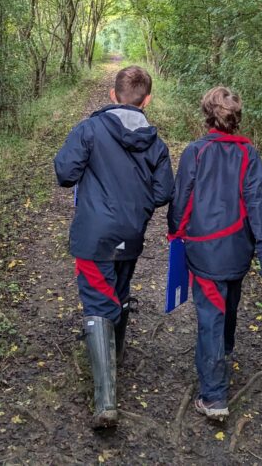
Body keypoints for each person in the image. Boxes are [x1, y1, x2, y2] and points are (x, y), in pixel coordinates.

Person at [54, 65, 174, 428]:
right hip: (131, 233)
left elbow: (64, 174)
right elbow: (164, 192)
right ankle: (115, 354)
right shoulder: (155, 142)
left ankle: (106, 400)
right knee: (118, 292)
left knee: (97, 301)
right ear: (147, 100)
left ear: (112, 95)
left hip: (94, 236)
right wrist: (137, 207)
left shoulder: (89, 130)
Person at [168, 86, 262, 421]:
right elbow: (260, 205)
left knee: (212, 315)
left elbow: (181, 200)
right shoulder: (249, 154)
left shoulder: (196, 151)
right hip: (237, 251)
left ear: (207, 115)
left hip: (204, 252)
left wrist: (176, 234)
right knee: (227, 304)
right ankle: (221, 355)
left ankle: (214, 395)